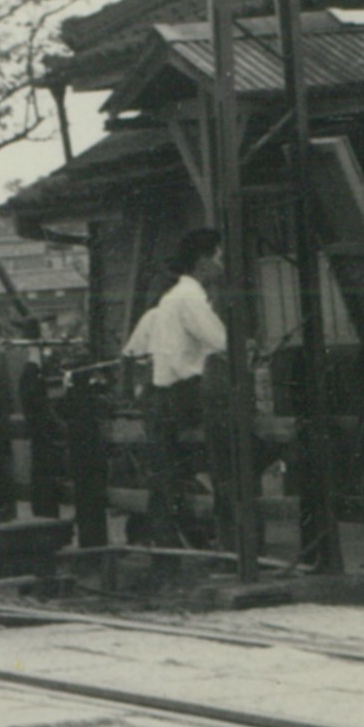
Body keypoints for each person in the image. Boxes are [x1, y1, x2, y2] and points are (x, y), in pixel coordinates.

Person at [122, 227, 230, 548]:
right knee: (234, 455)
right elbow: (222, 341)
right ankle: (227, 537)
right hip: (185, 396)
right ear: (202, 261)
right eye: (218, 257)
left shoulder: (169, 301)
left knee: (167, 478)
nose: (221, 265)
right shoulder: (190, 298)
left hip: (162, 396)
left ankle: (174, 544)